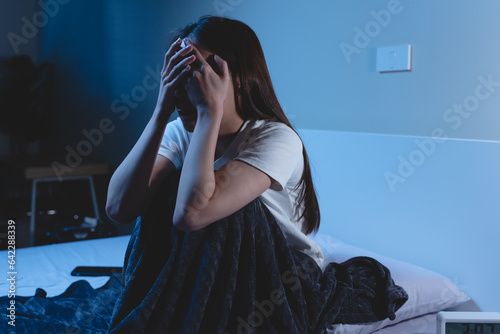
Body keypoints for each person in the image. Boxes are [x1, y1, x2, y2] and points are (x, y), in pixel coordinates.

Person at [105, 16, 407, 334]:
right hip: (213, 270)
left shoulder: (276, 138)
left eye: (196, 71)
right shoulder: (180, 132)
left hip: (281, 272)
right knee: (166, 188)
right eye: (178, 71)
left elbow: (192, 215)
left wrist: (209, 111)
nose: (186, 85)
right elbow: (119, 208)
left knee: (223, 207)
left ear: (236, 76)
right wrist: (160, 111)